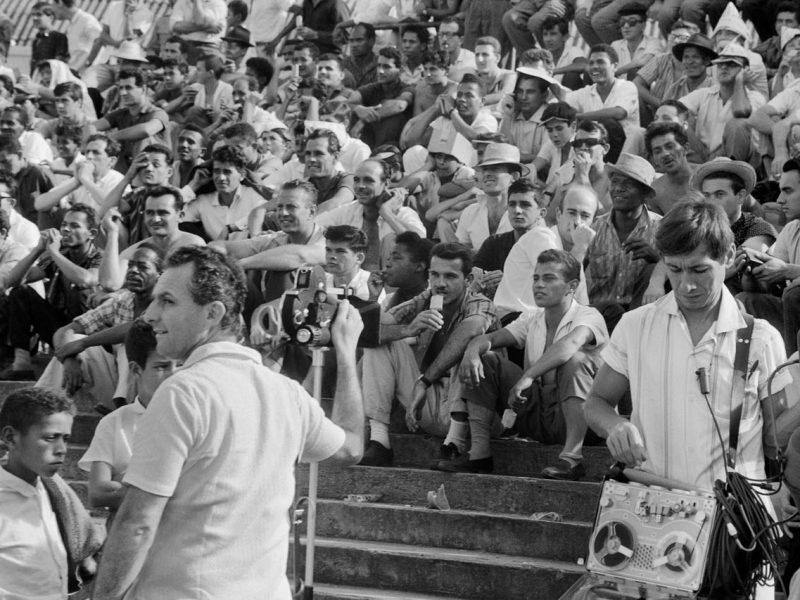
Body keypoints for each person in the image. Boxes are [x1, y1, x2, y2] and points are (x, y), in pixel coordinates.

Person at [92, 245, 365, 599]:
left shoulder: (181, 391)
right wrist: (345, 353)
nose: (150, 315)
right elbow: (351, 447)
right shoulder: (287, 392)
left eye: (168, 301)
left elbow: (137, 524)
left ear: (213, 313)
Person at [585, 200, 790, 497]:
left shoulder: (761, 339)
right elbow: (596, 402)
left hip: (732, 523)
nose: (686, 285)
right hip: (654, 513)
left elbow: (777, 436)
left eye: (699, 270)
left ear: (729, 256)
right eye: (675, 270)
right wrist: (615, 426)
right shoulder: (635, 325)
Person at [454, 249, 608, 477]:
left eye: (549, 278)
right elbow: (492, 338)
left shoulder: (589, 315)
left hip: (587, 423)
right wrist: (473, 349)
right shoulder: (532, 317)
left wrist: (528, 376)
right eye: (536, 278)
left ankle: (572, 459)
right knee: (486, 360)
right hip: (539, 416)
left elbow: (570, 344)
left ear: (572, 286)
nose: (539, 285)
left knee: (576, 361)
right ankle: (479, 454)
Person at [359, 242, 496, 467]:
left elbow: (469, 331)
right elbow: (373, 332)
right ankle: (379, 441)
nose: (440, 284)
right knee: (380, 343)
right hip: (430, 405)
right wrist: (377, 303)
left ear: (468, 280)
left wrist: (424, 381)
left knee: (469, 348)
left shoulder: (480, 303)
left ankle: (454, 444)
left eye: (450, 276)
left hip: (475, 415)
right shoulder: (427, 297)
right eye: (434, 275)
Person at [0, 387, 104, 599]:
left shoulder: (55, 493)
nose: (62, 449)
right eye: (50, 438)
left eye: (65, 438)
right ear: (11, 438)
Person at [78, 320, 175, 518]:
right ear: (136, 370)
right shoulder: (115, 423)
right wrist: (172, 488)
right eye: (161, 367)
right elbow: (98, 492)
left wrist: (128, 480)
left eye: (180, 365)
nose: (173, 375)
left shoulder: (195, 417)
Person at [0, 204, 103, 380]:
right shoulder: (60, 255)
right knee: (21, 292)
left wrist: (55, 253)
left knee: (79, 291)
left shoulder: (100, 256)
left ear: (91, 234)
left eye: (75, 226)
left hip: (89, 332)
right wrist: (38, 249)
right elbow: (14, 281)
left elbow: (86, 280)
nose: (66, 230)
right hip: (59, 329)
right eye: (64, 224)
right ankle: (22, 361)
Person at [584, 152, 661, 331]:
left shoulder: (660, 229)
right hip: (599, 317)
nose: (618, 188)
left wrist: (655, 259)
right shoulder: (596, 227)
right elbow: (573, 270)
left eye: (627, 184)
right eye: (615, 182)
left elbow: (676, 271)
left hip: (641, 318)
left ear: (645, 195)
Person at [735, 159, 800, 354]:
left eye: (788, 191)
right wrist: (752, 273)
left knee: (795, 294)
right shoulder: (791, 229)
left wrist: (787, 270)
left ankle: (791, 370)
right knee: (745, 299)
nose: (780, 199)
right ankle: (750, 372)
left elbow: (785, 273)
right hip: (793, 313)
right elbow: (768, 286)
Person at [316, 159, 426, 271]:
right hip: (354, 282)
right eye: (356, 180)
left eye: (369, 181)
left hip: (391, 283)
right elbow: (312, 227)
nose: (360, 186)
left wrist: (386, 212)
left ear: (386, 183)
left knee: (391, 239)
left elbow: (421, 246)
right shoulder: (348, 210)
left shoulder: (403, 214)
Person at [100, 184, 205, 291]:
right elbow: (110, 283)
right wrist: (113, 233)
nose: (155, 219)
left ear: (180, 216)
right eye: (149, 213)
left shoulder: (193, 245)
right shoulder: (135, 251)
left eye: (163, 213)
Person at [679, 42, 763, 166]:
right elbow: (673, 109)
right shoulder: (705, 93)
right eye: (720, 64)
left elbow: (740, 112)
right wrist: (698, 149)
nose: (724, 67)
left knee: (737, 125)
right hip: (704, 156)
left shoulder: (755, 97)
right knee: (678, 118)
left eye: (731, 64)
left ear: (745, 70)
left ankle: (727, 176)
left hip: (742, 161)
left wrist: (740, 81)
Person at [181, 144, 267, 241]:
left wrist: (232, 228)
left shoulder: (253, 198)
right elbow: (174, 216)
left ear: (242, 175)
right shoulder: (203, 201)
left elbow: (264, 214)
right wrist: (193, 185)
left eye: (227, 172)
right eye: (217, 171)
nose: (221, 178)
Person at [93, 69, 170, 173]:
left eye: (128, 88)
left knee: (142, 139)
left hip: (154, 172)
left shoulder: (158, 113)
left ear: (143, 89)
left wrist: (111, 137)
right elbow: (92, 127)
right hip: (125, 172)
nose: (123, 93)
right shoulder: (120, 113)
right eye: (121, 88)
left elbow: (146, 130)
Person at [35, 134, 125, 215]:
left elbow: (113, 206)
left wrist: (86, 181)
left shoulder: (118, 180)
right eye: (87, 152)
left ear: (112, 161)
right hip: (80, 229)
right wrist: (75, 183)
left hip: (104, 229)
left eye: (96, 152)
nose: (89, 156)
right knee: (47, 212)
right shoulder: (80, 177)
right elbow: (39, 205)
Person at [564, 44, 640, 138]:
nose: (595, 66)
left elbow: (619, 113)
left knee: (608, 123)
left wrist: (578, 117)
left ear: (615, 66)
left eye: (601, 62)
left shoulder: (627, 86)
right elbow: (562, 102)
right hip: (594, 148)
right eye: (591, 63)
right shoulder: (585, 92)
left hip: (624, 148)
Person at [349, 46, 414, 148]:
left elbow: (399, 105)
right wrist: (358, 109)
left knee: (394, 117)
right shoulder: (372, 88)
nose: (381, 71)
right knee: (354, 112)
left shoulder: (407, 89)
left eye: (386, 67)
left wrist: (364, 120)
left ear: (400, 70)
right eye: (379, 66)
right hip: (370, 141)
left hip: (394, 146)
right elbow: (349, 102)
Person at [645, 121, 703, 215]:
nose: (665, 154)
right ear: (653, 159)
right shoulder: (655, 193)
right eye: (657, 151)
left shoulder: (707, 176)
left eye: (670, 146)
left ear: (686, 148)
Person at [369, 231, 433, 308]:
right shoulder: (388, 301)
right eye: (389, 258)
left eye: (396, 258)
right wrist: (373, 298)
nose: (387, 264)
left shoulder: (434, 302)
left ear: (419, 266)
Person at [0, 133, 53, 225]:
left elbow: (57, 208)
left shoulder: (39, 173)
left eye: (5, 162)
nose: (1, 167)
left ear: (20, 155)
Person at [50, 0, 102, 74]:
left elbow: (99, 41)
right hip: (75, 73)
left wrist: (88, 63)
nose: (52, 10)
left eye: (53, 5)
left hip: (86, 75)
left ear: (60, 3)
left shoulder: (87, 20)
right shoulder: (72, 24)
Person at [30, 2, 69, 75]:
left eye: (39, 15)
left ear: (50, 17)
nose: (34, 18)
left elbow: (59, 64)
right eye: (33, 15)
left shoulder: (59, 37)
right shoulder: (37, 39)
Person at [438, 17, 476, 83]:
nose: (444, 39)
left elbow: (461, 79)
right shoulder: (434, 58)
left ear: (461, 40)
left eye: (448, 35)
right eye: (441, 35)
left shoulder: (471, 59)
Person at [342, 22, 378, 89]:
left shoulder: (382, 64)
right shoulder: (342, 65)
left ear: (372, 41)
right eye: (351, 41)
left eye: (359, 40)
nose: (354, 45)